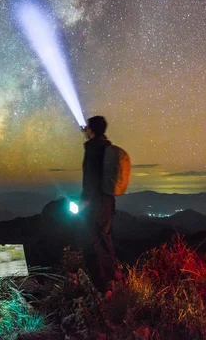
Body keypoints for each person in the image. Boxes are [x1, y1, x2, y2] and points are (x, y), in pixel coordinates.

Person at [79, 115, 117, 293]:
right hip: (108, 202)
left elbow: (90, 178)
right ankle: (112, 277)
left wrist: (84, 202)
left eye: (87, 128)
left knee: (93, 240)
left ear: (92, 130)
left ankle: (101, 286)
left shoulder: (93, 149)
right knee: (105, 238)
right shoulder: (106, 146)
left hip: (94, 203)